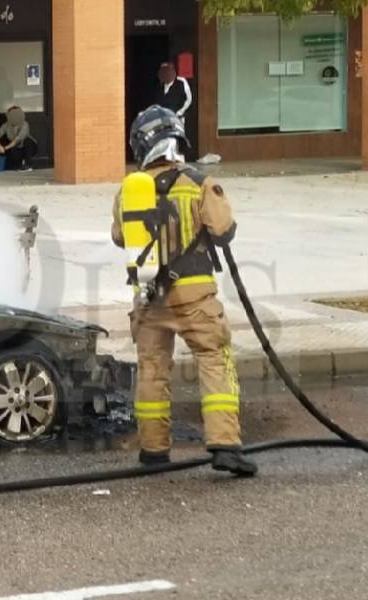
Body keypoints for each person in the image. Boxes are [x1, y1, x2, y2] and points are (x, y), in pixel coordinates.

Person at [111, 105, 256, 477]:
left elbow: (118, 236)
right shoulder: (199, 183)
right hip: (195, 298)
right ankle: (224, 446)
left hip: (149, 300)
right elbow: (224, 230)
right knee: (214, 360)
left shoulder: (129, 191)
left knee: (152, 371)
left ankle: (154, 452)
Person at [0, 106, 38, 171]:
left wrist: (5, 148)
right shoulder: (6, 125)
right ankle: (20, 165)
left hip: (29, 146)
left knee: (27, 142)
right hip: (17, 148)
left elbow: (17, 140)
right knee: (13, 151)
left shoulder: (25, 124)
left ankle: (28, 164)